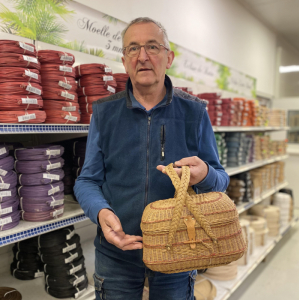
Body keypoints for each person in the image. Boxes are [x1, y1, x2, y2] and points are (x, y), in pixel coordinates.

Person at [74, 17, 229, 300]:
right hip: (117, 253)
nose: (142, 56)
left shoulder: (194, 112)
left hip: (179, 249)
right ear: (124, 60)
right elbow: (87, 180)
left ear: (168, 57)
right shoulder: (105, 113)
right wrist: (100, 212)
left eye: (152, 47)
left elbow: (221, 181)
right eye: (133, 48)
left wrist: (205, 174)